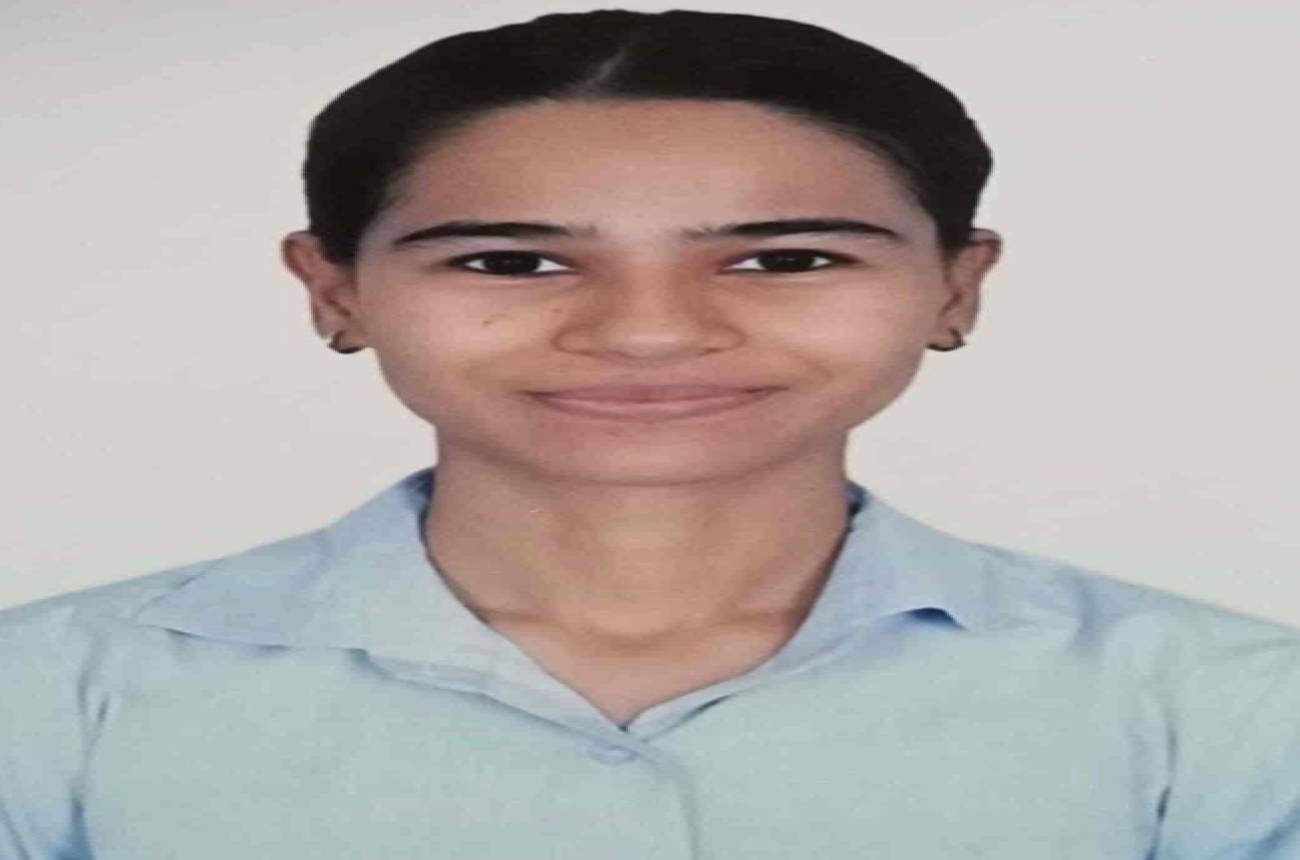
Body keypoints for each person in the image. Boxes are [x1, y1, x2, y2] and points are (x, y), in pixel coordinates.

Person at [2, 8, 1297, 859]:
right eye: (511, 262)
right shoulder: (51, 701)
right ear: (335, 289)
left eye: (784, 258)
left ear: (955, 287)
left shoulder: (1227, 712)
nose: (648, 333)